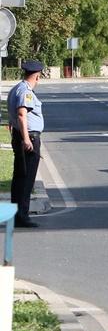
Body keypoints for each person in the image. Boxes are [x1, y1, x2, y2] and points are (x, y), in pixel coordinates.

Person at [7, 61, 45, 228]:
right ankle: (22, 216)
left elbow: (12, 116)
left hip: (20, 135)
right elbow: (22, 114)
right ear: (37, 75)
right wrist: (27, 139)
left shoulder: (16, 88)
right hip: (28, 138)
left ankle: (17, 214)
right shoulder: (25, 92)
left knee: (19, 177)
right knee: (26, 179)